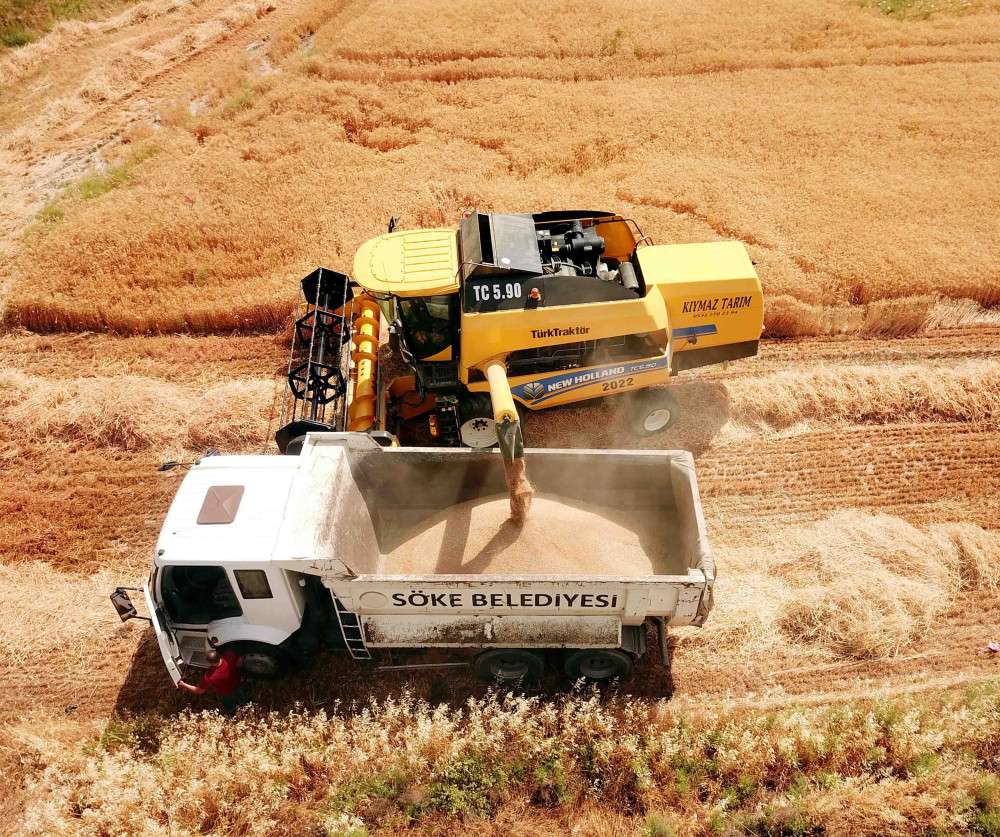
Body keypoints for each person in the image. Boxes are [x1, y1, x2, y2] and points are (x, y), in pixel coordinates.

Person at [177, 648, 250, 715]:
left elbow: (199, 691)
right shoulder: (229, 656)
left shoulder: (209, 676)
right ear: (219, 655)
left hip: (226, 694)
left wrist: (183, 684)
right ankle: (246, 708)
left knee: (230, 709)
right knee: (244, 701)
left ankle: (231, 715)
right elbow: (241, 660)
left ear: (210, 662)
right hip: (238, 684)